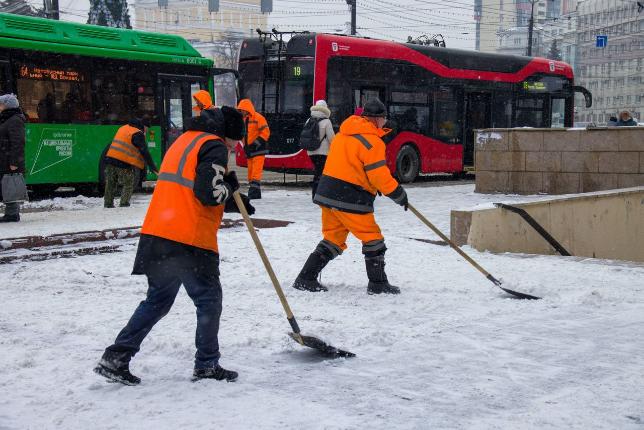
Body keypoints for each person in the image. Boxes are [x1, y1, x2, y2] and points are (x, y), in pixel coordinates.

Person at [94, 106, 255, 385]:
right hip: (189, 239)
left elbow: (189, 187)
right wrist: (228, 188)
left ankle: (116, 356)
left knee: (157, 301)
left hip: (159, 232)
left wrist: (229, 196)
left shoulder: (185, 140)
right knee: (208, 301)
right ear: (228, 133)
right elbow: (209, 193)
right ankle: (206, 364)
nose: (234, 147)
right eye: (235, 141)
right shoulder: (213, 146)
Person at [292, 98, 408, 295]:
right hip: (350, 197)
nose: (385, 123)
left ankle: (306, 278)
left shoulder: (344, 135)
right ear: (377, 119)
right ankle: (378, 284)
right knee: (373, 238)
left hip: (327, 193)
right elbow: (378, 174)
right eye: (384, 119)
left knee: (333, 239)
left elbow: (351, 167)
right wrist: (398, 194)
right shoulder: (372, 142)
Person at [103, 117, 158, 208]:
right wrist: (152, 167)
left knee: (110, 183)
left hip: (110, 159)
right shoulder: (137, 133)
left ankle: (108, 203)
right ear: (144, 126)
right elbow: (144, 152)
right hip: (123, 162)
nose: (147, 132)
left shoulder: (123, 128)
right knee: (128, 183)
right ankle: (124, 203)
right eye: (147, 129)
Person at [0, 94, 26, 223]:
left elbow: (18, 142)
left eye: (1, 104)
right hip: (4, 158)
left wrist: (14, 162)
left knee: (10, 186)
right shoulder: (6, 119)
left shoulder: (15, 119)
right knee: (6, 186)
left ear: (7, 105)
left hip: (9, 161)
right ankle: (11, 213)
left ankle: (12, 214)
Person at [237, 99, 270, 200]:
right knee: (251, 172)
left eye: (242, 109)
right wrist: (245, 146)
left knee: (255, 172)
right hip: (250, 150)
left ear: (246, 109)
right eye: (240, 110)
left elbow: (266, 132)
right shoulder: (243, 119)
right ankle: (255, 193)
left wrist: (255, 144)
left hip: (259, 150)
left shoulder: (258, 117)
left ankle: (253, 193)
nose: (241, 111)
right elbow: (243, 135)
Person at [306, 100, 335, 198]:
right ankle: (318, 194)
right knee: (321, 172)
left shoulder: (309, 120)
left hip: (311, 151)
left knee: (318, 171)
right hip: (323, 152)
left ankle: (316, 193)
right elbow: (332, 138)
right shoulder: (327, 121)